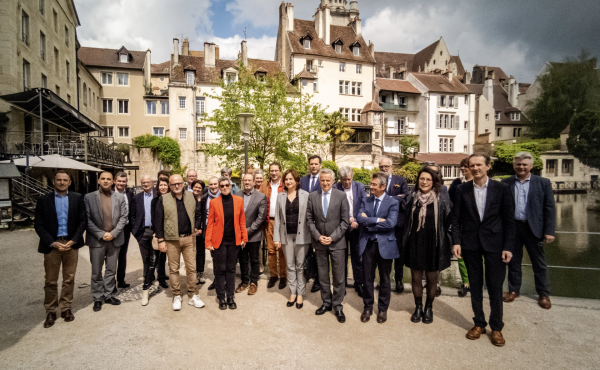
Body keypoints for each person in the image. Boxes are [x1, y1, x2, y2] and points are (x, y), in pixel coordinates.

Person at [452, 153, 515, 347]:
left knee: (495, 287)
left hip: (495, 244)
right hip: (470, 243)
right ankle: (479, 323)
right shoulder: (462, 189)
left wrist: (508, 247)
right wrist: (456, 242)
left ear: (488, 166)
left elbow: (509, 221)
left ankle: (496, 327)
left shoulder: (502, 189)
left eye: (479, 164)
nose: (475, 168)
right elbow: (456, 219)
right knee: (475, 286)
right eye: (472, 165)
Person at [502, 152, 556, 309]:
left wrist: (549, 231)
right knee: (513, 261)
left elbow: (550, 208)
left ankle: (543, 294)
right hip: (513, 228)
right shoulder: (506, 183)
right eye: (518, 164)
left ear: (531, 166)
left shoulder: (543, 183)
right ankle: (513, 290)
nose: (521, 167)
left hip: (534, 228)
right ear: (514, 166)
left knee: (539, 263)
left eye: (524, 164)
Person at [34, 170, 87, 328]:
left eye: (65, 180)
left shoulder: (77, 198)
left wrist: (74, 240)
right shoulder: (43, 200)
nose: (62, 182)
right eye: (59, 180)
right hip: (53, 246)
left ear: (69, 182)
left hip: (71, 244)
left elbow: (82, 221)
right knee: (50, 280)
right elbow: (39, 225)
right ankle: (51, 310)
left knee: (69, 279)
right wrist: (52, 242)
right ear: (53, 181)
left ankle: (66, 308)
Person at [402, 167, 453, 324]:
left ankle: (429, 307)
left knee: (432, 277)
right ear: (418, 180)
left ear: (434, 182)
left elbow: (449, 222)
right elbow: (403, 218)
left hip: (434, 243)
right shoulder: (411, 198)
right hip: (415, 242)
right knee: (416, 277)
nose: (424, 182)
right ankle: (418, 307)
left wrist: (451, 243)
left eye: (428, 180)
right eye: (422, 179)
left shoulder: (442, 200)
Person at [155, 175, 205, 311]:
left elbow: (198, 213)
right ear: (170, 186)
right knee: (173, 269)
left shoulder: (191, 196)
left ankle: (192, 294)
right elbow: (158, 221)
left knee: (191, 268)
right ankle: (176, 295)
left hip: (189, 238)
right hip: (172, 240)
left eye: (179, 183)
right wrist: (160, 240)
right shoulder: (163, 199)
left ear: (183, 184)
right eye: (173, 184)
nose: (176, 186)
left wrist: (197, 226)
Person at [306, 168, 350, 323]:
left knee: (339, 276)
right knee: (323, 276)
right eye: (322, 180)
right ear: (320, 181)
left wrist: (332, 237)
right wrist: (318, 236)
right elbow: (309, 220)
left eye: (327, 180)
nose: (325, 183)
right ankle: (326, 302)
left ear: (332, 181)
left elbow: (345, 222)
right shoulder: (313, 196)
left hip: (337, 243)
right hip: (319, 243)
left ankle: (338, 305)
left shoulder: (341, 196)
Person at [356, 172, 399, 324]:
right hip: (368, 245)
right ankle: (367, 307)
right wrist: (375, 220)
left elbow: (391, 223)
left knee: (385, 279)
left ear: (383, 186)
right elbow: (359, 218)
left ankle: (382, 309)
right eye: (371, 183)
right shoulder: (366, 200)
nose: (371, 186)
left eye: (374, 184)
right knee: (367, 278)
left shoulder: (393, 202)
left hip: (385, 245)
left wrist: (370, 224)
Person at [84, 171, 128, 312]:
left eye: (108, 179)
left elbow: (123, 217)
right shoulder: (89, 197)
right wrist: (101, 234)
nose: (105, 181)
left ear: (113, 181)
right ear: (98, 181)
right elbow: (87, 219)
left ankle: (108, 295)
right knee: (96, 271)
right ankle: (97, 297)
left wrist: (114, 234)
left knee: (111, 269)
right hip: (97, 240)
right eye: (103, 179)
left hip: (114, 240)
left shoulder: (120, 197)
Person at [205, 176, 248, 310]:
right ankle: (221, 297)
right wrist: (208, 241)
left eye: (226, 185)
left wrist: (244, 238)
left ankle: (230, 296)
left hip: (233, 241)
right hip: (219, 242)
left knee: (231, 269)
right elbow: (210, 223)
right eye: (221, 186)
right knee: (220, 269)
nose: (224, 187)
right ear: (219, 187)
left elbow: (242, 220)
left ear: (230, 186)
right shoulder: (214, 202)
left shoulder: (238, 200)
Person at [273, 169, 311, 309]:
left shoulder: (305, 195)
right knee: (290, 265)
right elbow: (277, 218)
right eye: (286, 179)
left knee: (300, 266)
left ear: (296, 181)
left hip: (302, 236)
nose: (288, 181)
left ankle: (300, 293)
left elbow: (309, 218)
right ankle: (293, 292)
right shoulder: (280, 196)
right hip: (286, 236)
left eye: (291, 179)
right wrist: (276, 238)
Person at [334, 166, 367, 297]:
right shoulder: (336, 187)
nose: (347, 182)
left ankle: (359, 284)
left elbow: (363, 205)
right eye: (344, 179)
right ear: (340, 178)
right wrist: (348, 219)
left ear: (352, 176)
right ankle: (342, 286)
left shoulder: (360, 186)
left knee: (357, 258)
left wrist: (357, 220)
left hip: (356, 228)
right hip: (341, 227)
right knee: (341, 259)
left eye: (349, 179)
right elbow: (335, 207)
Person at [131, 175, 168, 290]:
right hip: (143, 231)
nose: (146, 184)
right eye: (143, 182)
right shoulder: (136, 198)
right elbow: (132, 216)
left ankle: (161, 277)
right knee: (146, 257)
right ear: (141, 184)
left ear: (152, 183)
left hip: (157, 230)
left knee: (160, 257)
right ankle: (148, 277)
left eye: (148, 182)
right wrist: (136, 232)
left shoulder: (159, 195)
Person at [379, 156, 409, 293]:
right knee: (384, 254)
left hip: (399, 223)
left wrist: (389, 199)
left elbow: (406, 197)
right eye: (381, 167)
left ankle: (398, 280)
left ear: (391, 167)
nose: (384, 169)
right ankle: (384, 280)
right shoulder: (377, 181)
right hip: (383, 223)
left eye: (386, 166)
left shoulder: (400, 180)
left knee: (399, 253)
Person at [235, 173, 267, 295]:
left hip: (254, 234)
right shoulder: (237, 195)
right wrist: (240, 232)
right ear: (242, 182)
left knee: (254, 259)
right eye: (245, 180)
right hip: (240, 235)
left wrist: (247, 231)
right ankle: (244, 281)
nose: (247, 182)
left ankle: (254, 282)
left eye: (249, 180)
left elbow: (260, 218)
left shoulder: (261, 197)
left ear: (254, 182)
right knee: (242, 259)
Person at [259, 162, 286, 289]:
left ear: (280, 171)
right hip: (268, 221)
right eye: (271, 170)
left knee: (282, 250)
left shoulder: (285, 184)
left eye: (276, 170)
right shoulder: (264, 185)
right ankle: (273, 275)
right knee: (271, 250)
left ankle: (283, 276)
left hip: (282, 222)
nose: (273, 173)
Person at [449, 158, 473, 298]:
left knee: (479, 257)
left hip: (477, 227)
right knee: (461, 255)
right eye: (461, 166)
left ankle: (477, 282)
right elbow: (451, 202)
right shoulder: (457, 183)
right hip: (461, 224)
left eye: (466, 166)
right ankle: (466, 283)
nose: (463, 169)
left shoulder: (480, 184)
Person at [300, 155, 323, 293]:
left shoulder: (324, 179)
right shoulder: (303, 180)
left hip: (319, 221)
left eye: (315, 164)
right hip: (304, 221)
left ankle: (319, 280)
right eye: (311, 164)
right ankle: (308, 276)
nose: (313, 166)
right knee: (306, 252)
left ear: (320, 165)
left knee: (319, 253)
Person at [113, 171, 134, 290]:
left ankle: (120, 280)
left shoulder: (130, 193)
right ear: (114, 181)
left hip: (126, 228)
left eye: (124, 181)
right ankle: (111, 283)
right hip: (113, 229)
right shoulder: (109, 193)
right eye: (119, 181)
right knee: (111, 255)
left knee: (122, 255)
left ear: (126, 182)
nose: (121, 183)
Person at [204, 176, 221, 290]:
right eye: (211, 184)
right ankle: (217, 280)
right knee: (214, 258)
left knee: (224, 258)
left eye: (215, 184)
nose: (213, 186)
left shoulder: (224, 196)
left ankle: (224, 280)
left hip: (222, 232)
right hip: (210, 231)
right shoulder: (205, 198)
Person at [191, 179, 207, 286]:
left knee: (201, 252)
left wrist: (201, 228)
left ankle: (200, 273)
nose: (197, 189)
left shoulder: (205, 199)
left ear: (202, 189)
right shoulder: (188, 198)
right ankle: (193, 274)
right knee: (192, 253)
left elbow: (204, 215)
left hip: (202, 230)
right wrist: (194, 228)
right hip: (192, 230)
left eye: (199, 188)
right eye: (195, 187)